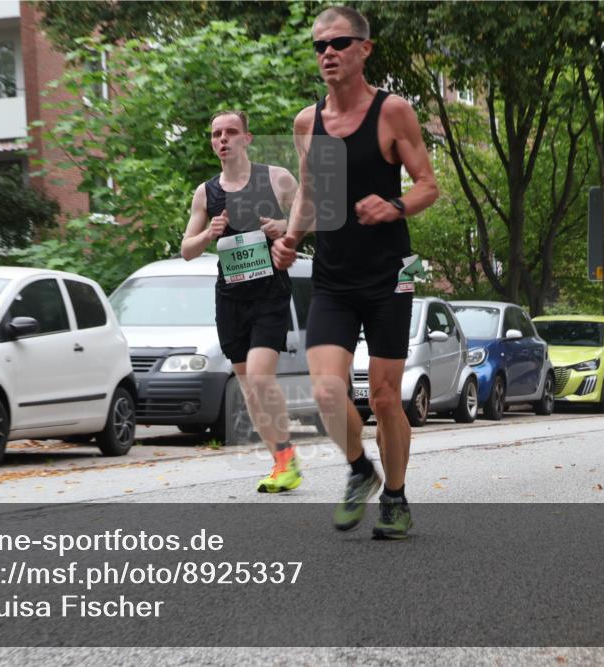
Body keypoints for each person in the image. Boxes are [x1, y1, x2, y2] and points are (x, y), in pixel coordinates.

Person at [271, 6, 439, 539]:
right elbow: (312, 195)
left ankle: (395, 496)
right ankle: (360, 471)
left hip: (391, 275)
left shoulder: (393, 113)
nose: (328, 53)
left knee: (386, 397)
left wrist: (394, 206)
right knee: (325, 390)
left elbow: (428, 185)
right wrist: (293, 237)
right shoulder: (308, 122)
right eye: (320, 46)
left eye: (339, 43)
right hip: (335, 277)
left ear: (364, 49)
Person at [181, 110, 302, 492]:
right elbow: (186, 249)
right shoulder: (206, 192)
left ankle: (286, 459)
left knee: (262, 377)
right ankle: (283, 462)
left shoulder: (277, 178)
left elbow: (311, 213)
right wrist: (209, 235)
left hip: (269, 292)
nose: (223, 139)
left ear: (247, 139)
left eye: (231, 132)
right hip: (230, 297)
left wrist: (286, 227)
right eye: (217, 134)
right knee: (249, 386)